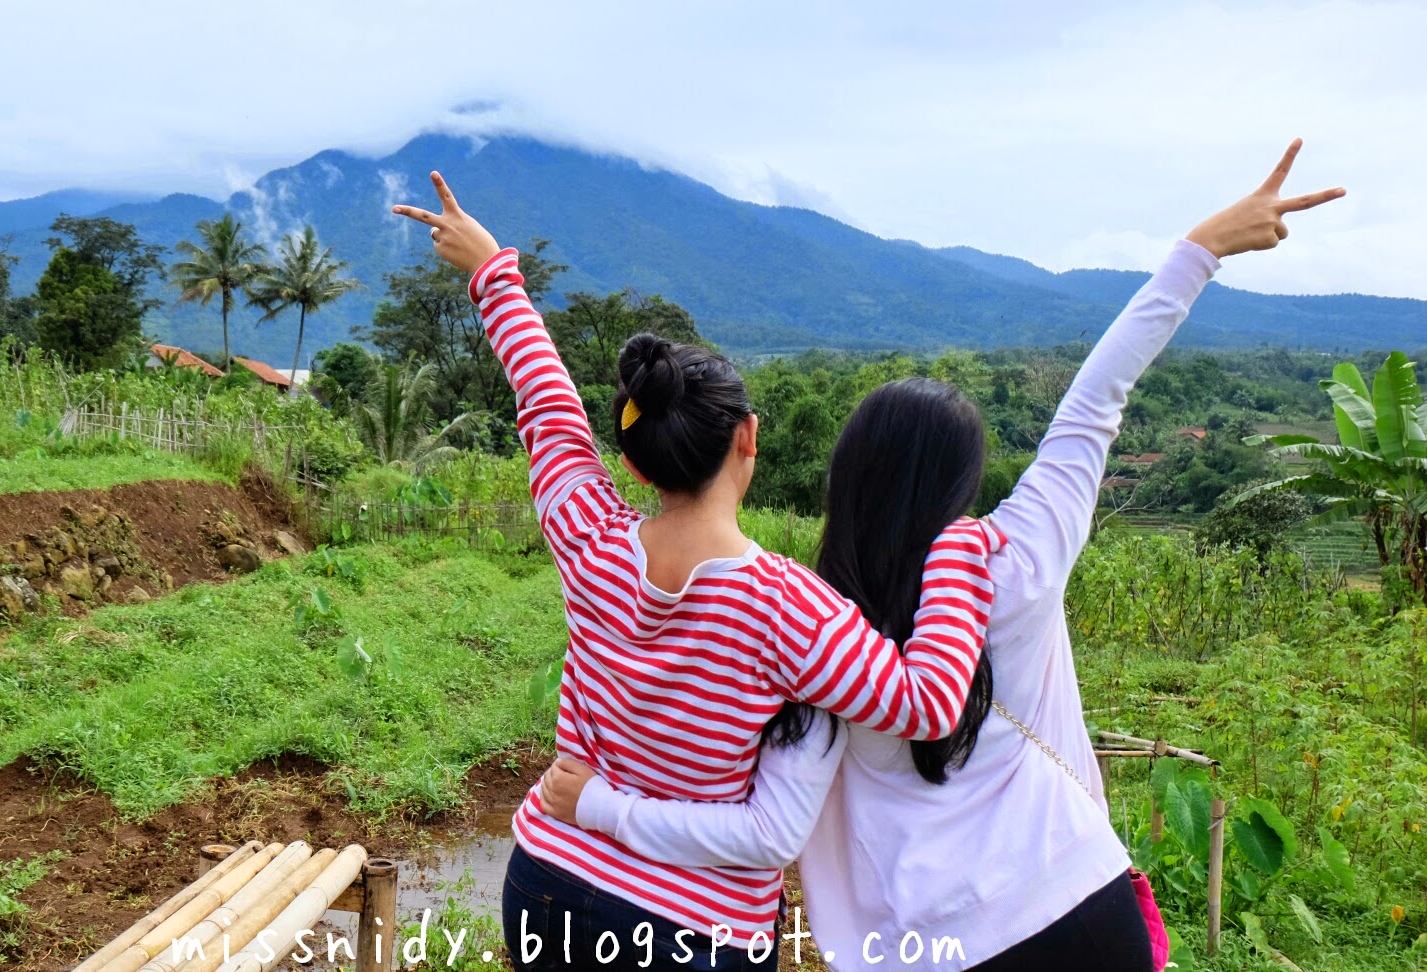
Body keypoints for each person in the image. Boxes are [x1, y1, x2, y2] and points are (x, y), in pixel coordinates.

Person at [535, 140, 1345, 971]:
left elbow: (771, 821)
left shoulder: (815, 630)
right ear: (963, 478)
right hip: (1080, 907)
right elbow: (1095, 401)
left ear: (844, 481)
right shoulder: (1013, 557)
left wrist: (608, 802)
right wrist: (1198, 250)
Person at [394, 174, 1004, 970]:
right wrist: (960, 545)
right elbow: (927, 703)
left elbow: (547, 409)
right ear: (748, 438)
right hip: (692, 932)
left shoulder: (591, 542)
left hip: (547, 882)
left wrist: (491, 272)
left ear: (634, 464)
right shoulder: (790, 607)